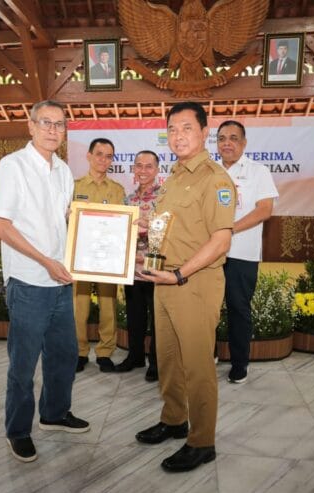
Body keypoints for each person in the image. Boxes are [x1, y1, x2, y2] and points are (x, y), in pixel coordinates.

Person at [135, 102, 236, 472]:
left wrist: (179, 275)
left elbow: (220, 241)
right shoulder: (175, 176)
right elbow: (167, 226)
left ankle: (202, 441)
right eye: (172, 129)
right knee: (168, 359)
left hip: (194, 282)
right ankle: (174, 419)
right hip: (164, 279)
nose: (178, 136)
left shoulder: (215, 179)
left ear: (205, 132)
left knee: (197, 364)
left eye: (187, 128)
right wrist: (142, 228)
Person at [0, 100, 90, 463]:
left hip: (61, 280)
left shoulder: (63, 170)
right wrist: (46, 261)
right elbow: (2, 227)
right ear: (30, 126)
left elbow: (65, 219)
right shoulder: (12, 166)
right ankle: (18, 431)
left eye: (59, 124)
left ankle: (54, 414)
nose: (52, 130)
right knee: (23, 363)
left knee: (64, 355)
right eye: (45, 122)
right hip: (29, 280)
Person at [216, 121, 279, 384]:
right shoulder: (210, 171)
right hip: (210, 253)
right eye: (221, 138)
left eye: (233, 138)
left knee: (238, 309)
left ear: (244, 143)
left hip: (241, 254)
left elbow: (265, 210)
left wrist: (228, 230)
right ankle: (209, 354)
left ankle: (240, 364)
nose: (227, 143)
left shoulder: (258, 171)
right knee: (207, 307)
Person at [72, 138, 126, 373]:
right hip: (81, 257)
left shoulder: (117, 190)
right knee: (78, 306)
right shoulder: (74, 187)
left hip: (107, 258)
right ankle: (79, 351)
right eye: (99, 154)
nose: (104, 160)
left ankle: (105, 352)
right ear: (89, 156)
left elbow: (122, 223)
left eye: (108, 156)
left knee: (108, 305)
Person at [115, 150, 161, 381]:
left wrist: (147, 257)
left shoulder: (164, 199)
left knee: (157, 320)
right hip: (131, 270)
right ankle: (135, 356)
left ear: (157, 170)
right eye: (139, 166)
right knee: (135, 317)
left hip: (154, 271)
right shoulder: (128, 200)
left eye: (148, 166)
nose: (143, 170)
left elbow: (167, 234)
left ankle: (156, 363)